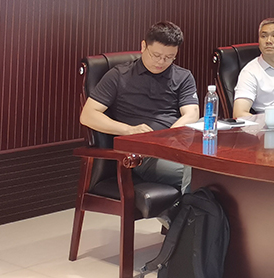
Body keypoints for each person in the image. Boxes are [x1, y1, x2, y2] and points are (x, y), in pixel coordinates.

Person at [79, 21, 200, 189]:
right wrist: (130, 130)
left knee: (212, 167)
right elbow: (88, 115)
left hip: (178, 146)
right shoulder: (119, 76)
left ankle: (189, 206)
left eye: (169, 57)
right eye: (156, 55)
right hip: (145, 155)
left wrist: (169, 137)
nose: (161, 62)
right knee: (200, 173)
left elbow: (192, 113)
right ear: (143, 46)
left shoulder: (183, 76)